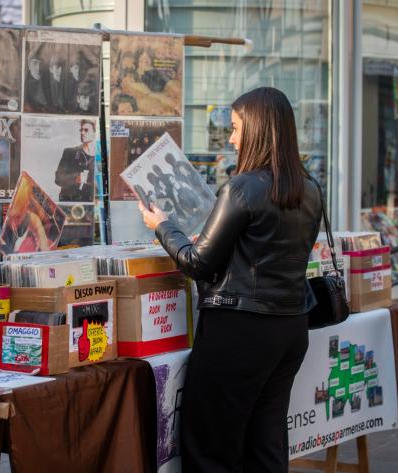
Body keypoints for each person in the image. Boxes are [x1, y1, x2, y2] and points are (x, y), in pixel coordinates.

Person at [139, 87, 322, 472]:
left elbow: (197, 263)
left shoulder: (241, 188)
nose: (232, 138)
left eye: (237, 128)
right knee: (267, 444)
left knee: (211, 448)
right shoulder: (309, 189)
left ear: (257, 130)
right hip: (290, 326)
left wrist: (163, 226)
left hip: (239, 330)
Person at [55, 119, 97, 202]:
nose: (82, 133)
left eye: (86, 130)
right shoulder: (69, 153)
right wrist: (76, 177)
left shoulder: (100, 157)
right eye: (81, 130)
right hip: (70, 202)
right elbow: (58, 178)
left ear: (94, 133)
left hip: (91, 203)